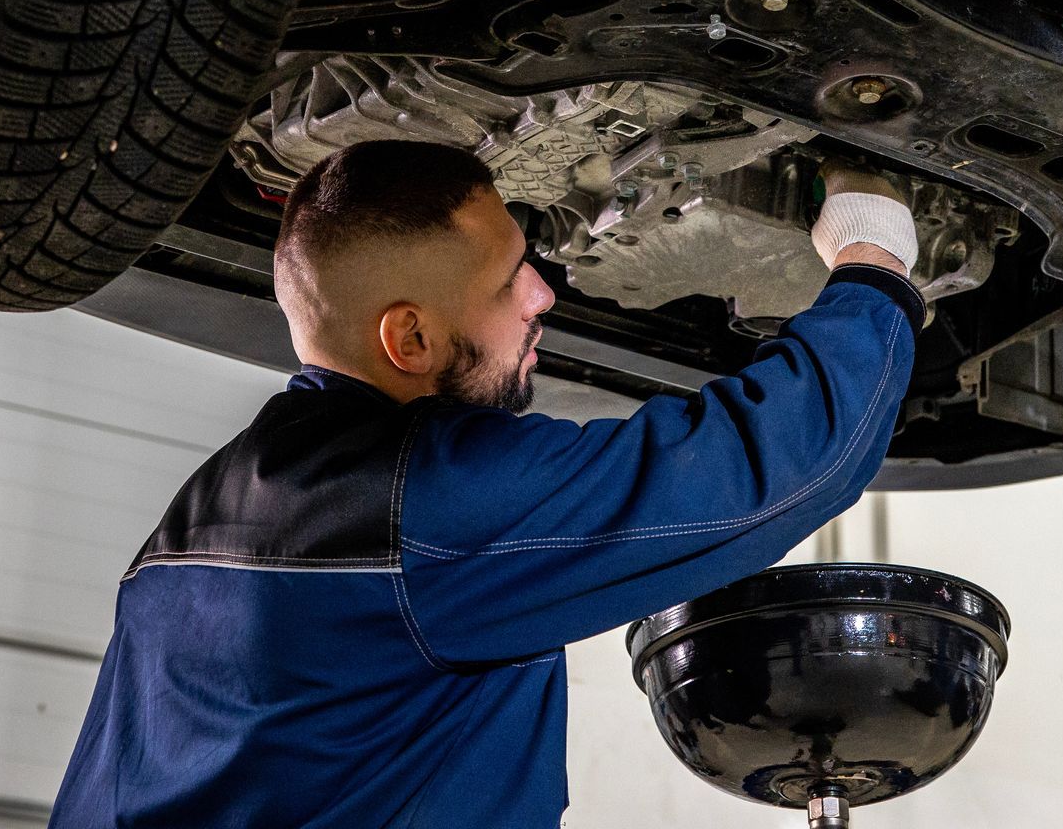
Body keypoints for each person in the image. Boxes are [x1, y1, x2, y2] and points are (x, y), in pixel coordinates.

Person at [49, 139, 924, 828]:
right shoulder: (424, 506)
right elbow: (777, 466)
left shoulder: (193, 518)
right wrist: (874, 260)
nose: (544, 295)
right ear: (411, 341)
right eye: (510, 283)